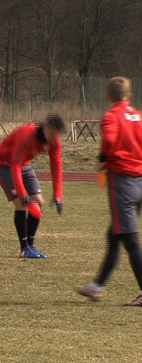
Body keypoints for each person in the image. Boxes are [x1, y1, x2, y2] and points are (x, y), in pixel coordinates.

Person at [76, 77, 142, 307]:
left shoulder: (111, 116)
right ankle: (96, 287)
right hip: (140, 180)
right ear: (130, 96)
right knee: (114, 234)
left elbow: (110, 139)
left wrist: (102, 160)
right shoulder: (138, 115)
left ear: (107, 96)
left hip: (122, 181)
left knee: (130, 240)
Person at [0, 113, 65, 258]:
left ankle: (31, 246)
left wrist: (57, 195)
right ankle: (24, 248)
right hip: (4, 164)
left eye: (57, 134)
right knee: (21, 203)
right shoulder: (26, 134)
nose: (54, 137)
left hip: (24, 165)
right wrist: (22, 193)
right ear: (46, 127)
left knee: (38, 203)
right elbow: (15, 163)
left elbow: (56, 165)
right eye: (53, 133)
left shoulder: (54, 141)